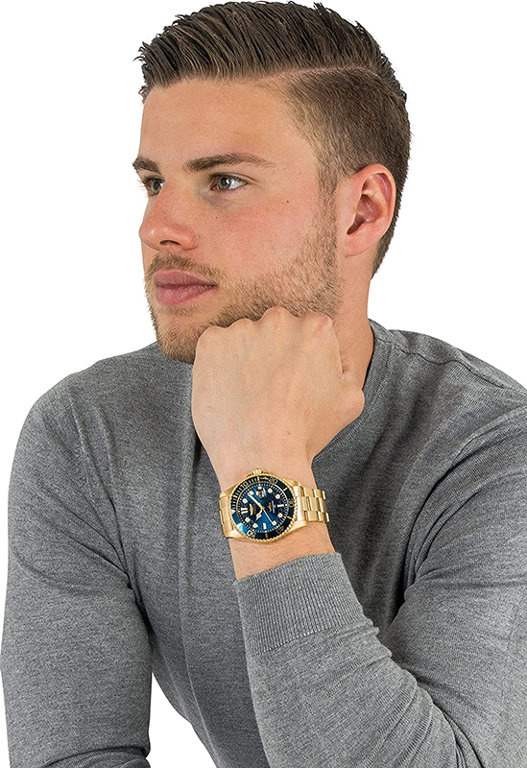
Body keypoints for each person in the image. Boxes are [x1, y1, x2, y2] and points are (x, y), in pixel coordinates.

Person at [1, 1, 526, 766]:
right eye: (153, 182)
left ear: (360, 212)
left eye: (223, 180)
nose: (157, 227)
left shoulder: (493, 455)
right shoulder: (87, 434)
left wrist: (262, 464)